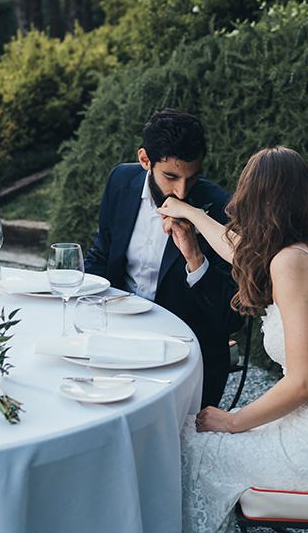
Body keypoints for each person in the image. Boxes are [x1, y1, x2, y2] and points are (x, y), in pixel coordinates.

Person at [158, 146, 308, 532]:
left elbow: (303, 383)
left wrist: (233, 420)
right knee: (189, 441)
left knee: (184, 451)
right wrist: (190, 214)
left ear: (259, 202)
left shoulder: (290, 263)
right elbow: (238, 249)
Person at [85, 108, 239, 407]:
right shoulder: (120, 180)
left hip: (185, 354)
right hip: (118, 337)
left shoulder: (221, 208)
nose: (181, 191)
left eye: (191, 178)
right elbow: (102, 253)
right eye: (171, 176)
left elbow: (230, 317)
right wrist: (82, 305)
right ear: (145, 160)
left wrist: (194, 256)